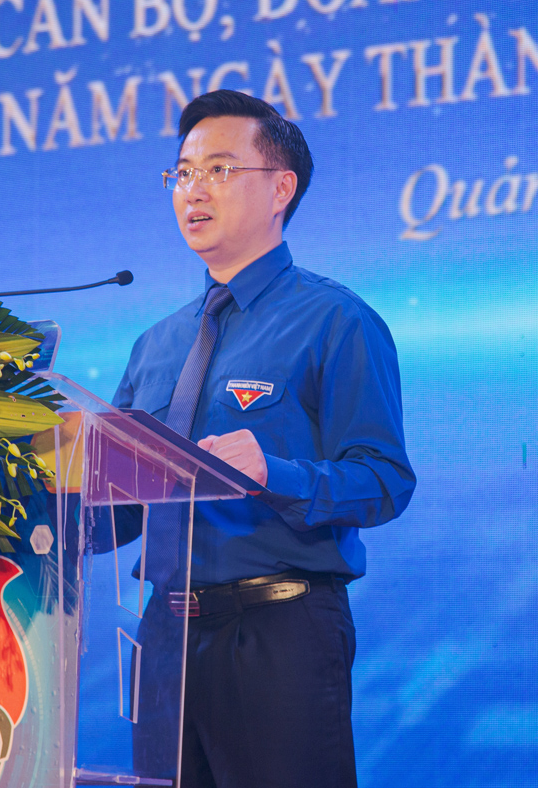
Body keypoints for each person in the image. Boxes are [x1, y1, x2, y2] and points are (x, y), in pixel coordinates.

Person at [111, 89, 416, 788]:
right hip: (162, 639)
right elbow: (119, 504)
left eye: (219, 170)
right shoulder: (157, 344)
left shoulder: (335, 320)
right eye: (183, 172)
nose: (193, 190)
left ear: (281, 188)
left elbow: (385, 480)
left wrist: (277, 473)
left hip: (277, 630)